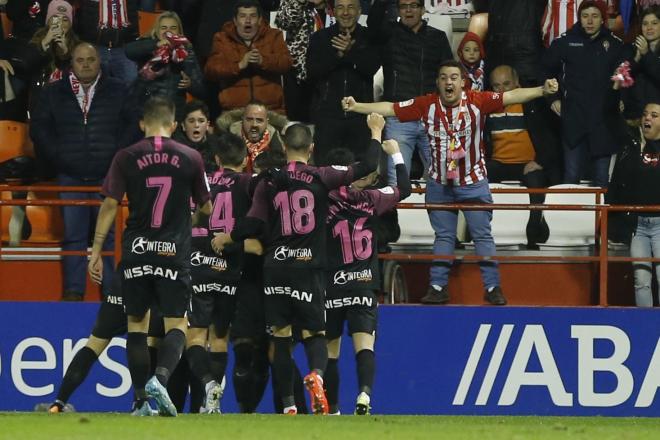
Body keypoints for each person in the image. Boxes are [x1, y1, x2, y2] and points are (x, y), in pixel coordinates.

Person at [342, 60, 560, 306]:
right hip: (439, 183)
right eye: (444, 77)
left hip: (474, 182)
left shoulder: (479, 101)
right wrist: (357, 105)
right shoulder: (425, 105)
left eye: (454, 77)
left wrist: (542, 90)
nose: (449, 82)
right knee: (443, 236)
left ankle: (492, 287)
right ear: (438, 82)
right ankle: (437, 288)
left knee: (482, 235)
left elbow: (512, 95)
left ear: (462, 82)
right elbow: (391, 108)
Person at [212, 117, 381, 414]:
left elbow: (253, 222)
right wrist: (376, 132)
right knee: (314, 335)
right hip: (309, 268)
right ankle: (315, 374)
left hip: (276, 268)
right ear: (312, 148)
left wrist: (229, 236)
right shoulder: (322, 175)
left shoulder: (268, 179)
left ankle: (289, 405)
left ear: (284, 146)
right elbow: (366, 165)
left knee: (280, 338)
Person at [88, 96, 212, 416]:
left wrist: (97, 249)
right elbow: (207, 208)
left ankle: (142, 400)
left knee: (136, 326)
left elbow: (110, 204)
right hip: (173, 252)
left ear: (143, 124)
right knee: (177, 325)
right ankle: (160, 379)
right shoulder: (191, 157)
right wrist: (191, 222)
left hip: (136, 251)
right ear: (173, 125)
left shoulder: (126, 156)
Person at [30, 42, 138, 301]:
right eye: (81, 60)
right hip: (70, 176)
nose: (86, 64)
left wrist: (116, 158)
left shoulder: (119, 90)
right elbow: (39, 130)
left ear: (99, 61)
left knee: (113, 237)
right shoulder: (53, 92)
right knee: (73, 237)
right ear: (72, 63)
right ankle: (73, 293)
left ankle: (113, 295)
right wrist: (60, 158)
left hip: (109, 176)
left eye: (91, 59)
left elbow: (134, 125)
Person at [323, 139, 411, 415]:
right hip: (362, 282)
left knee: (330, 352)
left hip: (331, 284)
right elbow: (405, 189)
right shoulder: (372, 199)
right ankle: (364, 394)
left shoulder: (322, 198)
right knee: (364, 345)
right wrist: (396, 154)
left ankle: (332, 408)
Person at [542, 0, 627, 187]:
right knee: (571, 178)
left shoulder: (614, 45)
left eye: (595, 16)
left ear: (602, 19)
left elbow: (624, 77)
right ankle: (567, 217)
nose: (589, 21)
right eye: (585, 16)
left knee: (601, 180)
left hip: (603, 121)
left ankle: (600, 218)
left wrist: (621, 100)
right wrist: (553, 99)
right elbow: (546, 72)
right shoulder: (564, 42)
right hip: (574, 118)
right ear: (579, 18)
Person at [366, 0, 452, 184]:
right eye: (404, 6)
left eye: (413, 5)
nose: (409, 10)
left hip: (432, 117)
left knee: (442, 180)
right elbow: (372, 24)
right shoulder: (388, 34)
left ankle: (441, 213)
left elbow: (448, 75)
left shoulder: (438, 37)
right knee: (397, 179)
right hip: (399, 117)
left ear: (422, 9)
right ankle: (396, 213)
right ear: (398, 10)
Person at [485, 65, 562, 249]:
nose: (502, 90)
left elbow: (550, 137)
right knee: (475, 178)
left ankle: (534, 232)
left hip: (527, 164)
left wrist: (540, 161)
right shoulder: (486, 107)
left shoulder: (532, 105)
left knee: (536, 181)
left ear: (518, 84)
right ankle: (477, 230)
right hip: (498, 163)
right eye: (496, 86)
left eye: (506, 84)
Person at [306, 0, 381, 165]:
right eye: (340, 7)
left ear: (360, 11)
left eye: (351, 7)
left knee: (359, 172)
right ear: (334, 11)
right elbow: (313, 71)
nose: (345, 12)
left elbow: (371, 67)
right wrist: (338, 56)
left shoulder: (369, 37)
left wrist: (350, 52)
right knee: (325, 171)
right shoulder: (320, 37)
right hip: (327, 116)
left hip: (360, 117)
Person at [608, 101, 660, 307]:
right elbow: (610, 116)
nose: (647, 118)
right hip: (637, 226)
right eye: (646, 114)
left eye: (654, 115)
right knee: (641, 280)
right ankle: (646, 327)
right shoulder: (631, 146)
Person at [204, 0, 293, 114]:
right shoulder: (222, 39)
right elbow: (211, 70)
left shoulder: (274, 35)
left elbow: (286, 62)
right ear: (235, 21)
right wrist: (239, 65)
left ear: (260, 20)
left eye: (253, 16)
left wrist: (263, 60)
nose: (248, 20)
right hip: (234, 112)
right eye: (242, 16)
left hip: (270, 111)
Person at [125, 11, 205, 119]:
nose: (168, 31)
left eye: (173, 28)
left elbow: (201, 88)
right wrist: (156, 45)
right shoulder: (148, 45)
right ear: (157, 30)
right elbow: (129, 51)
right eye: (163, 27)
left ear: (179, 31)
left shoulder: (186, 49)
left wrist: (190, 84)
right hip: (147, 109)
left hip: (174, 113)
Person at [276, 0, 335, 122]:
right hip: (298, 72)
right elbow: (283, 22)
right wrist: (299, 2)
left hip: (327, 71)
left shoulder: (334, 7)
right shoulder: (293, 3)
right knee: (298, 120)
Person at [76, 0, 139, 83]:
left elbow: (133, 22)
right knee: (95, 81)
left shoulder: (127, 2)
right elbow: (83, 25)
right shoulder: (89, 2)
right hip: (96, 47)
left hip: (121, 47)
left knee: (131, 78)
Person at [216, 101, 286, 172]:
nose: (254, 124)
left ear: (267, 122)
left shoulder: (273, 137)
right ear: (242, 119)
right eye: (249, 119)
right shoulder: (230, 136)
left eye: (259, 120)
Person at [622, 6, 660, 123]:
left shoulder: (645, 51)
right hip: (634, 118)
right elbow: (619, 79)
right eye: (645, 24)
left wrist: (646, 54)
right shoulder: (630, 49)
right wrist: (636, 59)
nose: (649, 28)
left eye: (654, 23)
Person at [173, 100, 221, 172]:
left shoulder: (217, 147)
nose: (196, 125)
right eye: (191, 121)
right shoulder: (175, 148)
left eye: (201, 121)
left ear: (207, 125)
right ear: (183, 125)